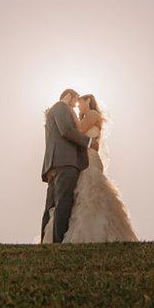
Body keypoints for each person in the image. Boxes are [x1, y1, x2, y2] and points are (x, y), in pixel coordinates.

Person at [62, 93, 138, 243]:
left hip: (91, 158)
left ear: (88, 101)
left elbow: (81, 131)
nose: (78, 108)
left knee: (93, 190)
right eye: (76, 106)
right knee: (83, 194)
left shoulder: (93, 114)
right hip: (83, 159)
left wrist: (70, 112)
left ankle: (99, 232)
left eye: (79, 104)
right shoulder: (84, 117)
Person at [41, 89, 100, 243]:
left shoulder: (54, 112)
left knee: (51, 207)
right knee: (63, 203)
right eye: (74, 102)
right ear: (69, 96)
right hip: (65, 162)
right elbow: (67, 131)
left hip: (54, 164)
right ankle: (58, 242)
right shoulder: (61, 107)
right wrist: (89, 142)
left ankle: (46, 243)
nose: (74, 107)